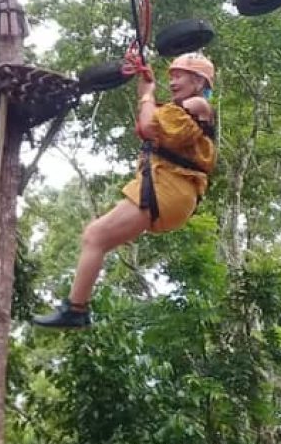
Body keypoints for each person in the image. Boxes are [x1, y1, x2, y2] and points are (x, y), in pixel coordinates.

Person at [32, 50, 217, 329]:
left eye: (181, 75)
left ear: (200, 82)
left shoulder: (198, 105)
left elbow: (147, 125)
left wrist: (146, 97)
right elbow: (152, 116)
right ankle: (76, 307)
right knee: (95, 237)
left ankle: (76, 309)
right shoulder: (179, 111)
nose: (174, 80)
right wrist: (147, 87)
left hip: (169, 188)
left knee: (95, 236)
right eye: (173, 75)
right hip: (171, 190)